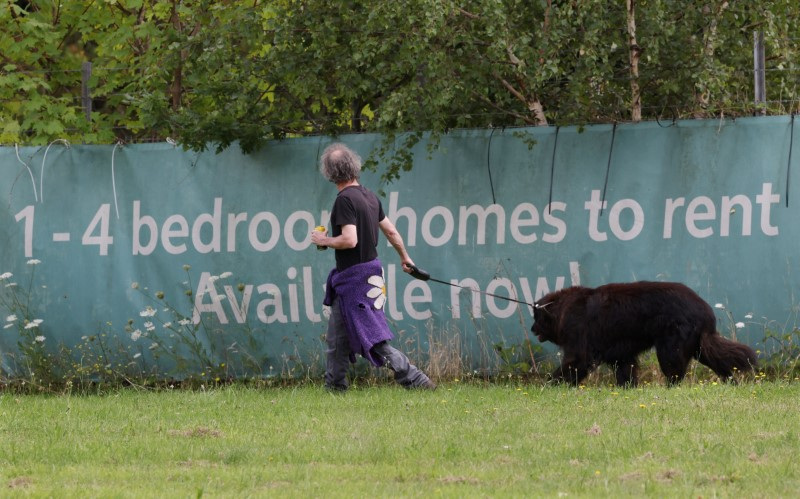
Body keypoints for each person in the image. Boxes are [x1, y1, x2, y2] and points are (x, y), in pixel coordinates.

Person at [311, 142, 436, 391]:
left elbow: (349, 239)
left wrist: (323, 240)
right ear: (354, 166)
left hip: (355, 281)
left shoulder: (344, 200)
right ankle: (334, 387)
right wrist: (405, 257)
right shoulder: (369, 196)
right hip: (365, 278)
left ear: (330, 172)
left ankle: (416, 379)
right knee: (337, 337)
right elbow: (390, 230)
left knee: (374, 338)